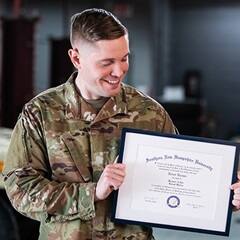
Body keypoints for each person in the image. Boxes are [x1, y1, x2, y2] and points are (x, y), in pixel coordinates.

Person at [2, 8, 240, 240]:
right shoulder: (40, 113)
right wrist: (92, 193)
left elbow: (178, 180)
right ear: (76, 58)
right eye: (107, 62)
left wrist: (225, 197)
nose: (119, 71)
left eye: (124, 58)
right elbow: (20, 189)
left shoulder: (148, 113)